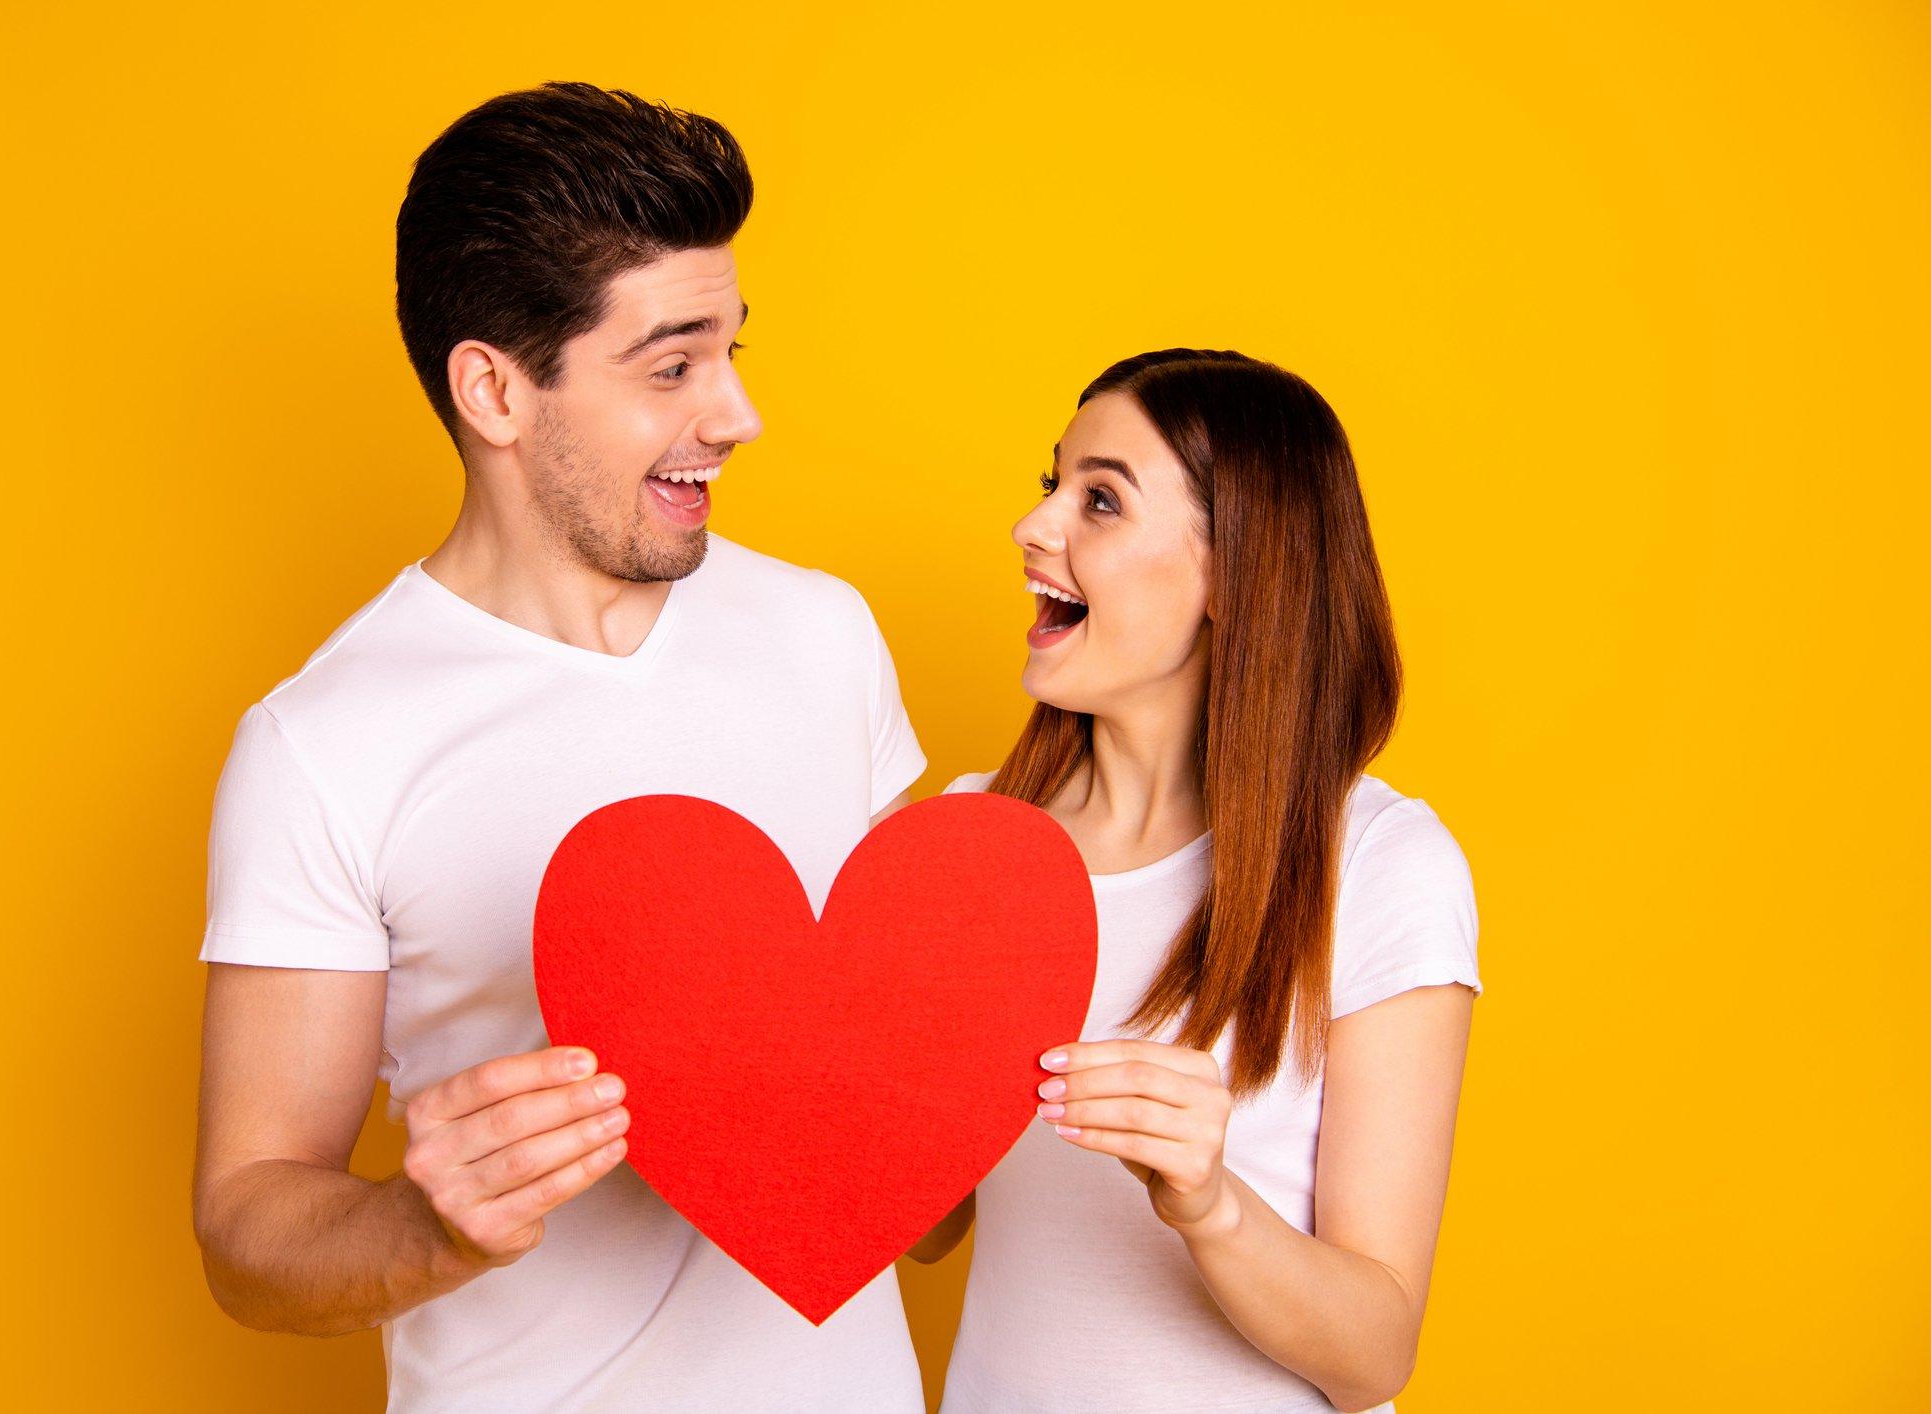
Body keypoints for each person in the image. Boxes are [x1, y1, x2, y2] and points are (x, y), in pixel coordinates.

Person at [189, 83, 930, 1412]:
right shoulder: (323, 742)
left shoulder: (825, 637)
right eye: (670, 366)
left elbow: (913, 1126)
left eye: (732, 349)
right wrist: (429, 1224)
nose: (736, 413)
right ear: (496, 390)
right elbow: (249, 1230)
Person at [909, 348, 1482, 1413]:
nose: (1034, 528)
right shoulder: (967, 838)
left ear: (1234, 572)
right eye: (1053, 485)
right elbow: (924, 1229)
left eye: (1101, 500)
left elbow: (1374, 1357)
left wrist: (1209, 1201)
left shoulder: (1380, 865)